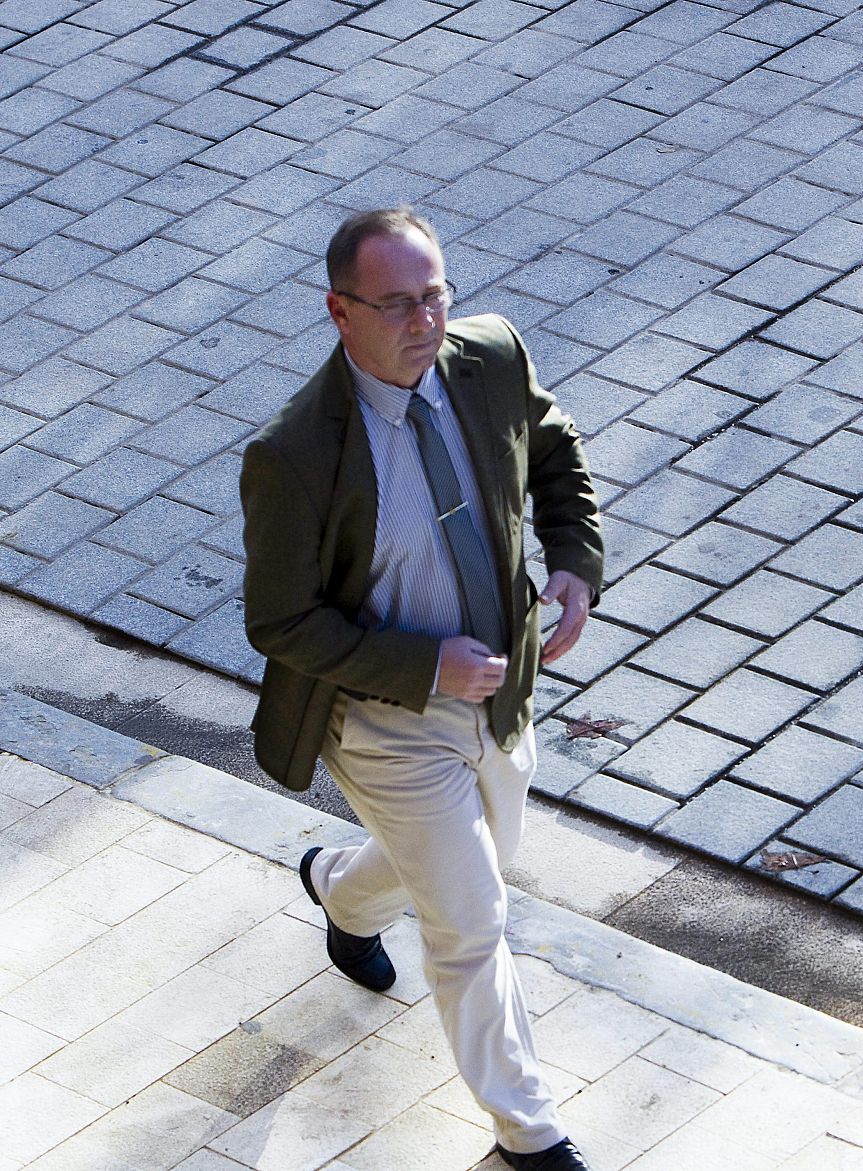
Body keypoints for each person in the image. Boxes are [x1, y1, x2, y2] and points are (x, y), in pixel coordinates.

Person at [239, 207, 603, 1171]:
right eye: (396, 302)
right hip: (382, 719)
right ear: (339, 311)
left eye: (435, 294)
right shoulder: (295, 455)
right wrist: (421, 667)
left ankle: (341, 894)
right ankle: (530, 1134)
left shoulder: (489, 362)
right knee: (473, 916)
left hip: (498, 694)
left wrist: (572, 560)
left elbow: (554, 444)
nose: (425, 320)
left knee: (452, 863)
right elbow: (280, 623)